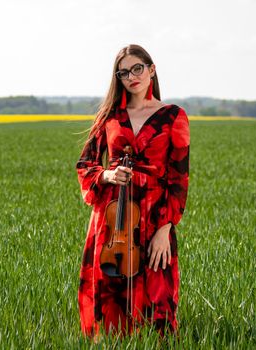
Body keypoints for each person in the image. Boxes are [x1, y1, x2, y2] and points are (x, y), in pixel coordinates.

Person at [75, 44, 190, 339]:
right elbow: (85, 163)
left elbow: (178, 180)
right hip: (114, 221)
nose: (131, 76)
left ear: (151, 69)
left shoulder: (174, 116)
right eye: (124, 72)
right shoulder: (110, 117)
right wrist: (108, 174)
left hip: (153, 218)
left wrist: (166, 228)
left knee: (158, 295)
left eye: (137, 68)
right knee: (110, 297)